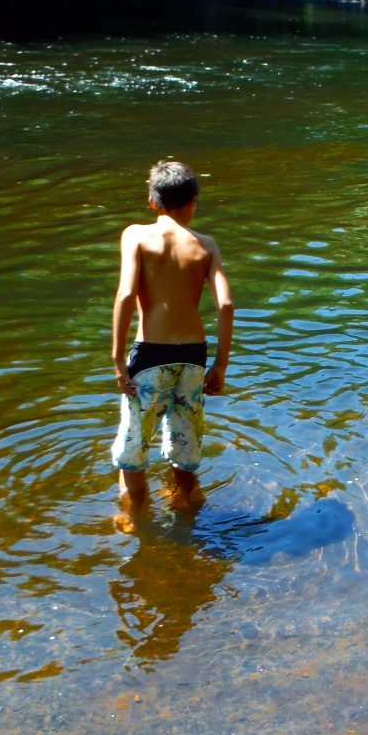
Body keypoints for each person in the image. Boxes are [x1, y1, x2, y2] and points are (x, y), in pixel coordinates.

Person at [110, 160, 234, 516]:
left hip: (150, 353)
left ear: (153, 202)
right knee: (186, 440)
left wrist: (119, 362)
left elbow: (124, 296)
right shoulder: (207, 245)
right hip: (193, 355)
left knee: (134, 448)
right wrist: (220, 365)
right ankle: (185, 507)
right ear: (193, 201)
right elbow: (225, 304)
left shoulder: (135, 235)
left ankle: (134, 517)